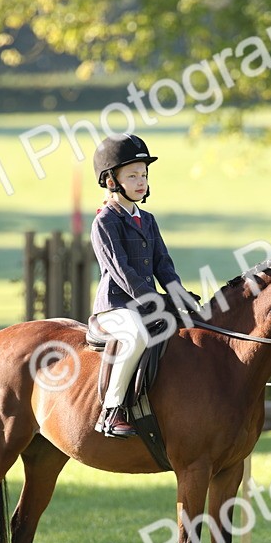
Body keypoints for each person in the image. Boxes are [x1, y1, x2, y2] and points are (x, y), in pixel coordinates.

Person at [89, 133, 195, 438]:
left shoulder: (148, 220)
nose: (141, 181)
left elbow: (163, 263)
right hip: (115, 308)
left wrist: (178, 295)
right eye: (132, 175)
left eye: (144, 175)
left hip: (146, 303)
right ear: (111, 181)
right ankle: (112, 411)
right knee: (135, 335)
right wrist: (154, 300)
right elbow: (121, 271)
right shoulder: (105, 222)